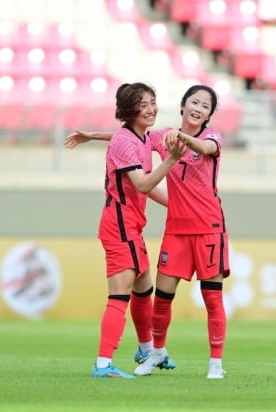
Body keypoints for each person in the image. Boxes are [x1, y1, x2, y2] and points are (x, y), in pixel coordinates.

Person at [65, 85, 231, 379]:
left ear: (209, 115)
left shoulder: (205, 138)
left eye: (205, 106)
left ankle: (193, 359)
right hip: (150, 228)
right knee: (144, 297)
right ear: (182, 106)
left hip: (199, 228)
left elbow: (203, 149)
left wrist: (179, 139)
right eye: (193, 101)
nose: (198, 108)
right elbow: (132, 149)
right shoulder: (160, 137)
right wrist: (94, 136)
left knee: (181, 294)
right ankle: (130, 357)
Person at [88, 82, 186, 379]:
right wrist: (171, 159)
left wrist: (179, 205)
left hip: (131, 225)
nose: (151, 108)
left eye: (153, 102)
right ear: (130, 110)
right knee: (120, 296)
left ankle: (146, 349)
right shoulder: (124, 142)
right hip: (119, 226)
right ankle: (103, 364)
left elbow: (144, 185)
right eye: (144, 104)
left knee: (144, 287)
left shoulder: (143, 136)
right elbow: (143, 184)